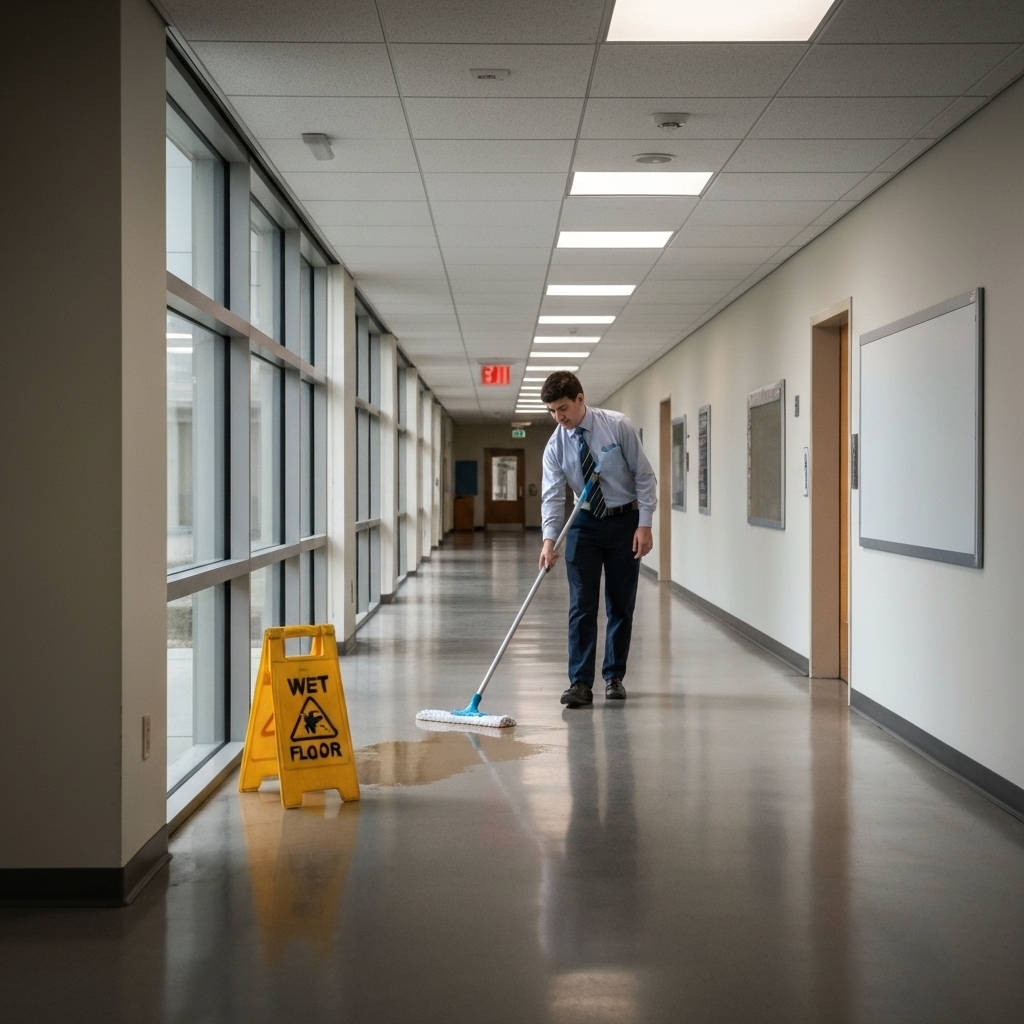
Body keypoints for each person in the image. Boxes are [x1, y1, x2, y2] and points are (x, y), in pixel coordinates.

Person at [539, 371, 657, 708]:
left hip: (624, 521)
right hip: (584, 522)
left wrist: (644, 524)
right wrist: (550, 540)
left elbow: (644, 476)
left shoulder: (617, 425)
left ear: (580, 399)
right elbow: (551, 495)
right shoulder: (556, 445)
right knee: (582, 606)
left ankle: (614, 677)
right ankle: (579, 683)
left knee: (620, 603)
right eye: (551, 411)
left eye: (562, 408)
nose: (558, 418)